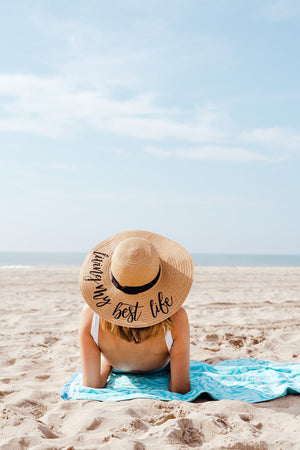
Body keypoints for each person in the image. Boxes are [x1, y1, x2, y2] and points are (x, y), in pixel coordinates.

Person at [78, 230, 194, 394]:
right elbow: (180, 388)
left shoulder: (91, 316)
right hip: (158, 368)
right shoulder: (176, 317)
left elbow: (91, 385)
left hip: (117, 364)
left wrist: (107, 366)